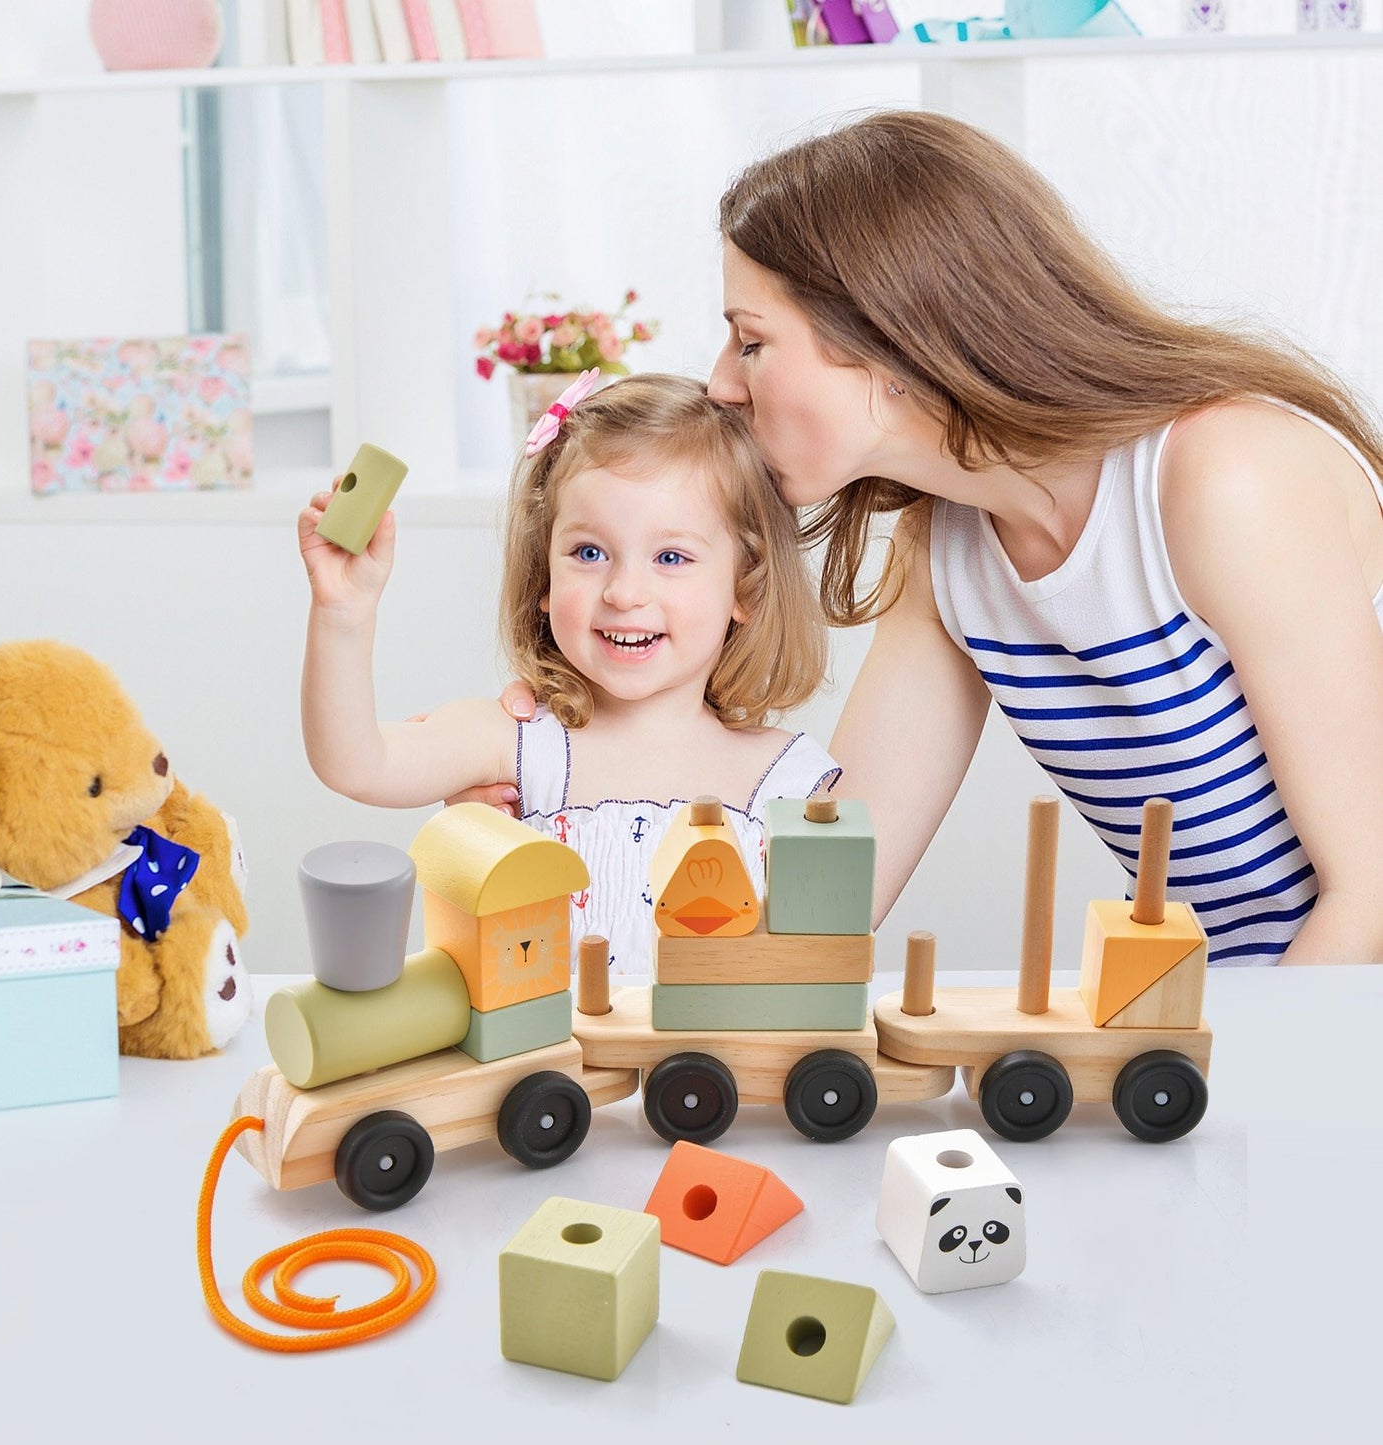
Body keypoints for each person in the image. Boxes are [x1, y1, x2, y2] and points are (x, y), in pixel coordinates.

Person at [482, 111, 1383, 966]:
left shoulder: (1226, 476)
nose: (720, 383)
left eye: (750, 341)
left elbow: (1370, 893)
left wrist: (1244, 1093)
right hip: (1259, 1010)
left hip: (1324, 1012)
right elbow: (825, 904)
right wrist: (576, 785)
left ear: (887, 343)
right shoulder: (947, 554)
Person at [298, 371, 839, 970]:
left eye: (670, 557)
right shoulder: (518, 741)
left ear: (745, 585)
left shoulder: (789, 782)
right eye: (589, 553)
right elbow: (356, 762)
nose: (626, 592)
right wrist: (342, 616)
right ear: (544, 579)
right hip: (548, 1065)